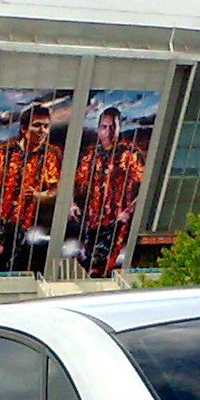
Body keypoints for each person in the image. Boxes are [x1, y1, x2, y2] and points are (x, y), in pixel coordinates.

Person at [0, 101, 62, 273]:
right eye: (37, 125)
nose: (42, 131)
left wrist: (41, 195)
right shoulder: (1, 154)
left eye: (46, 126)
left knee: (11, 269)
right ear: (24, 129)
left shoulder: (50, 156)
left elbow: (56, 188)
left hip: (23, 226)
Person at [69, 105, 146, 277]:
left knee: (104, 266)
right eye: (104, 127)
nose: (108, 132)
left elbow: (146, 187)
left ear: (120, 128)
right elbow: (74, 182)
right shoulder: (91, 156)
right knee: (89, 263)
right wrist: (72, 204)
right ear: (98, 129)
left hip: (118, 221)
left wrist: (129, 210)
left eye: (113, 127)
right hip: (93, 221)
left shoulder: (130, 154)